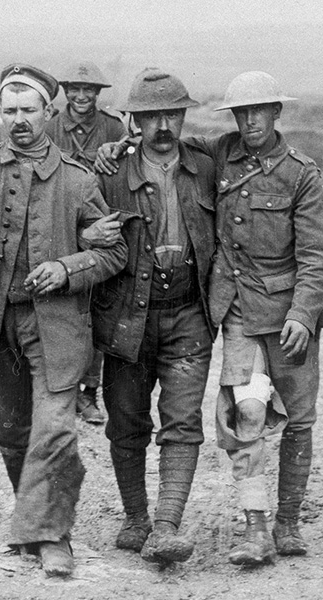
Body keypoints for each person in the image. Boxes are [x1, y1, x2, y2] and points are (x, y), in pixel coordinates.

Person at [0, 64, 126, 577]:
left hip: (55, 326)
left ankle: (53, 535)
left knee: (54, 430)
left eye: (28, 111)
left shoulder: (78, 181)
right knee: (11, 433)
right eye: (8, 111)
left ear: (48, 112)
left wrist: (67, 267)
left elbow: (114, 251)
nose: (18, 121)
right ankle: (31, 520)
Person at [198, 71, 323, 565]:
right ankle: (256, 529)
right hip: (238, 313)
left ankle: (288, 521)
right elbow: (168, 147)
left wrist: (304, 313)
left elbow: (319, 256)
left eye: (259, 110)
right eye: (241, 112)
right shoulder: (218, 155)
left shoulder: (301, 174)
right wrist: (123, 143)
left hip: (288, 318)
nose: (250, 120)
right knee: (247, 416)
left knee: (299, 420)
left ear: (277, 112)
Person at [89, 68, 216, 565]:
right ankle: (136, 516)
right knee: (125, 420)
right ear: (134, 122)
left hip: (188, 312)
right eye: (151, 116)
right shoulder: (108, 172)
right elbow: (80, 221)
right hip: (125, 316)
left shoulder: (207, 165)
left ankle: (166, 525)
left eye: (172, 114)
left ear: (184, 117)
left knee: (183, 421)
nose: (163, 125)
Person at [43, 60, 128, 425]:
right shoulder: (48, 128)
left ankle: (89, 393)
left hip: (101, 229)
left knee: (99, 312)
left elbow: (125, 176)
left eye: (89, 89)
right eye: (74, 89)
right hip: (59, 229)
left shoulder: (113, 127)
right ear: (64, 90)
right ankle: (61, 388)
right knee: (62, 314)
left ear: (98, 93)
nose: (81, 96)